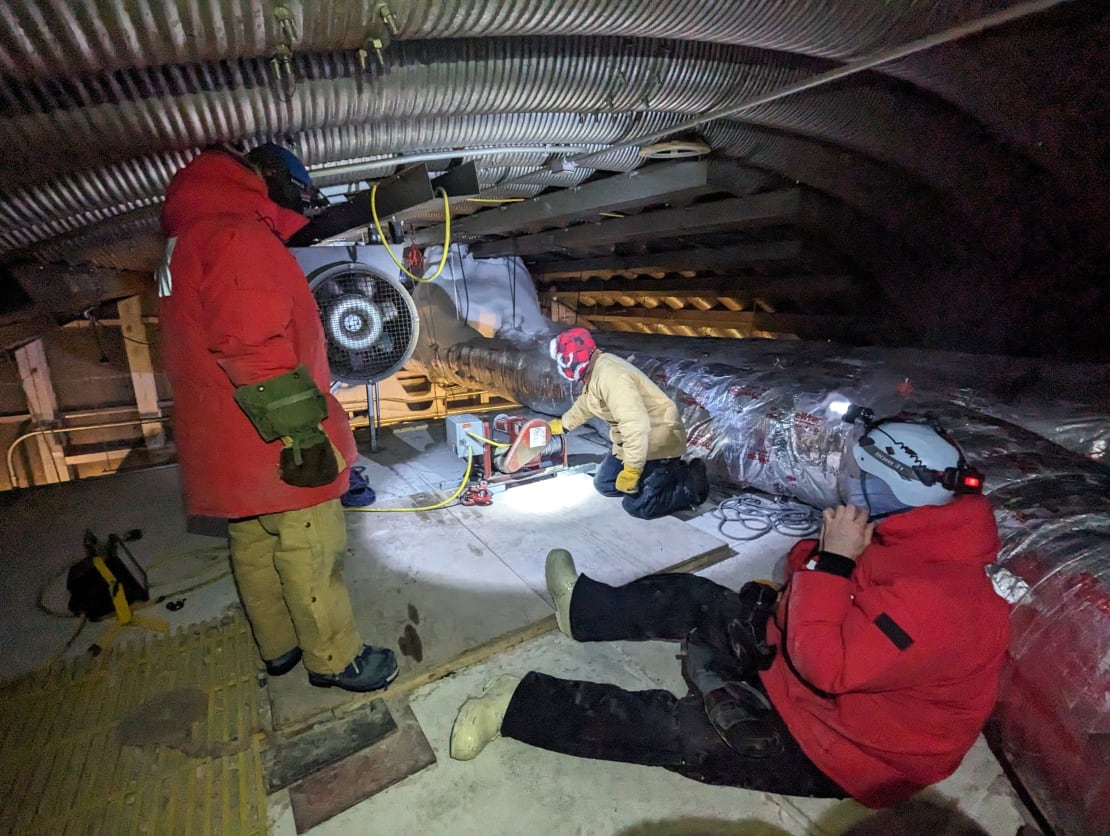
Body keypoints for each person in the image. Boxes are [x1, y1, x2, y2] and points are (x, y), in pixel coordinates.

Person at [449, 416, 1011, 808]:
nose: (849, 482)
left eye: (861, 476)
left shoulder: (943, 604)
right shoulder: (915, 534)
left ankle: (514, 706)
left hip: (851, 747)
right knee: (699, 598)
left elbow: (826, 665)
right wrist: (825, 564)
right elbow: (806, 577)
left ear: (893, 490)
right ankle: (586, 610)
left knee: (683, 734)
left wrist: (832, 565)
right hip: (821, 672)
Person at [157, 143, 397, 692]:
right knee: (310, 551)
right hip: (271, 442)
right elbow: (250, 347)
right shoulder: (237, 235)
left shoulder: (187, 235)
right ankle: (336, 660)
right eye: (295, 186)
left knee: (255, 548)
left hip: (225, 443)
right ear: (262, 177)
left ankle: (280, 648)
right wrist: (305, 434)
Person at [546, 327, 709, 519]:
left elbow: (635, 425)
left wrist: (632, 470)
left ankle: (688, 482)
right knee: (604, 485)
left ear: (572, 358)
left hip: (658, 439)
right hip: (634, 442)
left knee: (638, 506)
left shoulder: (611, 376)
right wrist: (561, 426)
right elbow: (587, 403)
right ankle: (653, 479)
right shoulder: (595, 369)